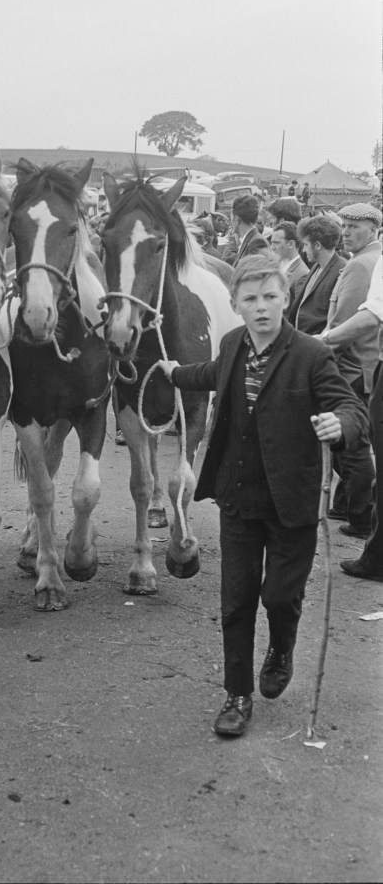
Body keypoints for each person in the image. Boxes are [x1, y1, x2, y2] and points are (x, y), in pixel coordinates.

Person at [166, 254, 367, 738]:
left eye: (271, 297)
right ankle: (237, 694)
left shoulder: (311, 355)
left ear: (286, 299)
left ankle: (280, 648)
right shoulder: (234, 344)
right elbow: (211, 374)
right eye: (251, 299)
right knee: (236, 600)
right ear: (235, 304)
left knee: (279, 596)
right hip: (238, 497)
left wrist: (341, 425)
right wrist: (173, 372)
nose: (261, 308)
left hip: (291, 503)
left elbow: (350, 405)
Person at [319, 253, 383, 581]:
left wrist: (320, 344)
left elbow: (369, 315)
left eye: (353, 227)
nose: (346, 233)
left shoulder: (362, 264)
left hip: (356, 367)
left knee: (360, 450)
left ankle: (371, 544)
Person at [289, 215, 346, 334]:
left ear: (318, 245)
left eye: (306, 244)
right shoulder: (316, 266)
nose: (303, 250)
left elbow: (337, 321)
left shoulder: (342, 270)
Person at [269, 221, 308, 308]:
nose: (271, 247)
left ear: (291, 244)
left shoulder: (302, 275)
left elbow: (298, 312)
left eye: (276, 243)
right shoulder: (276, 267)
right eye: (271, 242)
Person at [222, 195, 269, 267]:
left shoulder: (257, 243)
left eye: (231, 218)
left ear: (237, 220)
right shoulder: (251, 239)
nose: (231, 221)